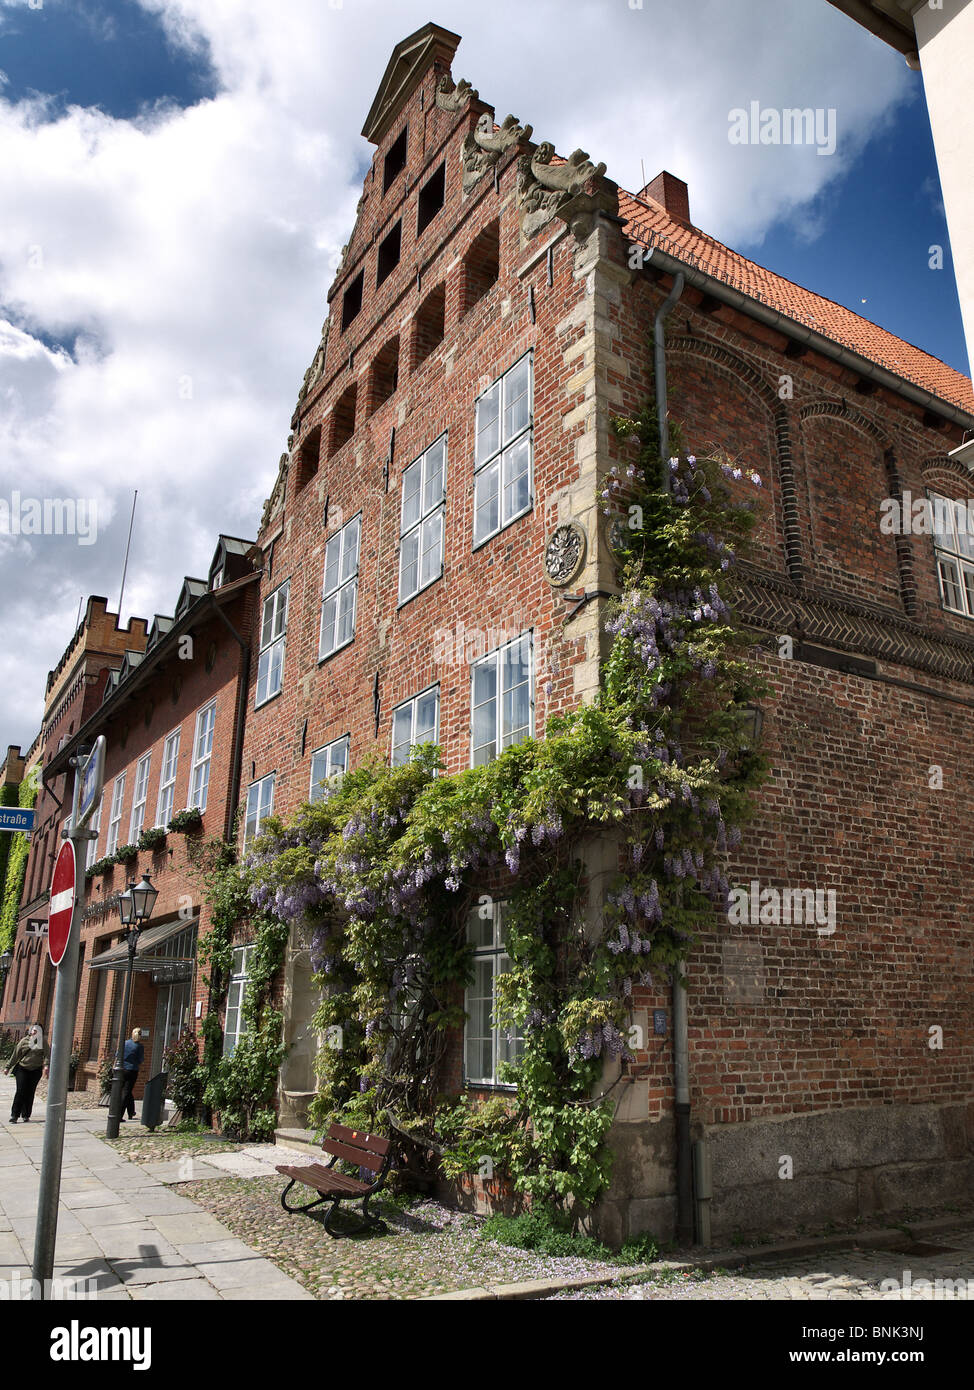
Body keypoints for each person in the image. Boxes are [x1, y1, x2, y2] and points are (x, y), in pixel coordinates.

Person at [6, 1023, 47, 1123]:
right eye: (34, 1029)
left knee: (30, 1092)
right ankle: (14, 1115)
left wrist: (46, 1065)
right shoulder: (24, 1041)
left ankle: (26, 1115)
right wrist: (8, 1067)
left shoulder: (43, 1042)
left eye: (38, 1030)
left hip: (35, 1070)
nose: (35, 1031)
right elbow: (15, 1055)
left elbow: (47, 1055)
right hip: (22, 1069)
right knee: (21, 1091)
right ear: (31, 1030)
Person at [120, 1027, 144, 1122]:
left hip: (122, 1069)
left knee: (127, 1091)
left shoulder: (125, 1043)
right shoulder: (138, 1046)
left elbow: (118, 1054)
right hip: (132, 1070)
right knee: (126, 1092)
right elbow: (140, 1060)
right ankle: (119, 1114)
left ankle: (131, 1112)